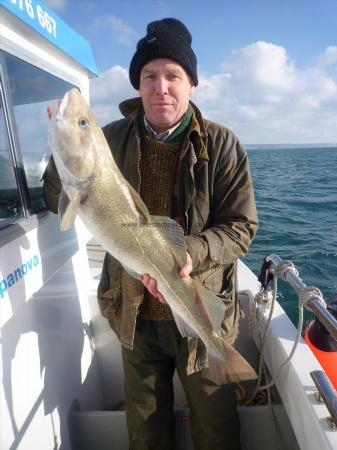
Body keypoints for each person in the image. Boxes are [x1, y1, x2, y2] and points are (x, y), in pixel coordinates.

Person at [43, 18, 258, 450]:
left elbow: (240, 228)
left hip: (195, 302)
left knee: (216, 431)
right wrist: (58, 150)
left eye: (172, 76)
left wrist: (191, 251)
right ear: (138, 86)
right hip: (134, 314)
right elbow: (57, 198)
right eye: (149, 76)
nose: (161, 87)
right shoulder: (109, 139)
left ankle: (221, 357)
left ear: (191, 84)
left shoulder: (222, 144)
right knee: (144, 434)